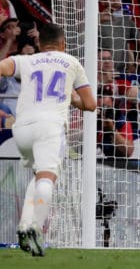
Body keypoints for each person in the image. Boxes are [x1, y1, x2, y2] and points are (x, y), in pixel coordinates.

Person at [0, 24, 96, 256]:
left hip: (21, 129)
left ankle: (24, 226)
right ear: (63, 44)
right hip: (49, 127)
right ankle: (36, 229)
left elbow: (3, 67)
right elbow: (91, 105)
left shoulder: (26, 60)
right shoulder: (72, 62)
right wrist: (72, 98)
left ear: (39, 44)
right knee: (47, 178)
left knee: (37, 173)